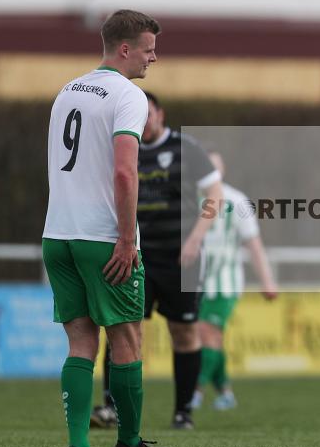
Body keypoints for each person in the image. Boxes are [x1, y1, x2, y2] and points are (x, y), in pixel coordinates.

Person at [42, 9, 172, 447]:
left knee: (80, 343)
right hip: (102, 236)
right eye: (149, 49)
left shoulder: (67, 91)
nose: (153, 58)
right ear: (125, 49)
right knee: (127, 340)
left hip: (57, 234)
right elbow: (123, 169)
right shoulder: (128, 95)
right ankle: (130, 445)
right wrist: (125, 239)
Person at [92, 92, 224, 430]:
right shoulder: (124, 148)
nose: (144, 120)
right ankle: (111, 407)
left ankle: (183, 412)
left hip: (182, 259)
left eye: (148, 113)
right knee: (124, 330)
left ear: (160, 114)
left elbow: (215, 195)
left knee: (184, 332)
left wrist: (195, 239)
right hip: (134, 255)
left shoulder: (186, 148)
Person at [192, 151, 278, 411]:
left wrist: (267, 281)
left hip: (226, 281)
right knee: (211, 338)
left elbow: (254, 245)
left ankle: (194, 392)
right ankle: (226, 393)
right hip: (196, 281)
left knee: (207, 333)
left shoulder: (237, 200)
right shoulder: (189, 198)